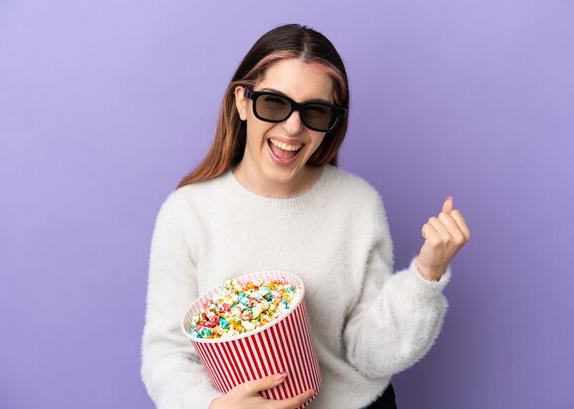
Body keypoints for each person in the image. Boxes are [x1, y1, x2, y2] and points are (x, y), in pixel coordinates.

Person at [140, 23, 471, 409]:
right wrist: (212, 407)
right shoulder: (187, 213)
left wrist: (426, 276)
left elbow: (369, 353)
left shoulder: (358, 204)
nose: (293, 127)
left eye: (314, 110)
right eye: (275, 103)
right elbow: (166, 353)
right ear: (243, 101)